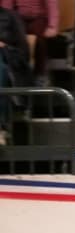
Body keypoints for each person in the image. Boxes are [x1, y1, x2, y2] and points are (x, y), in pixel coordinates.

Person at [1, 0, 58, 86]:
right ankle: (20, 73)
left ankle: (40, 74)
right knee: (13, 37)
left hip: (38, 17)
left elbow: (52, 6)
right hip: (18, 17)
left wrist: (52, 26)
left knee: (40, 41)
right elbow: (7, 6)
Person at [0, 5, 32, 145]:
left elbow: (23, 53)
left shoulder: (11, 17)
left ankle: (1, 128)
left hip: (7, 62)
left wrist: (4, 47)